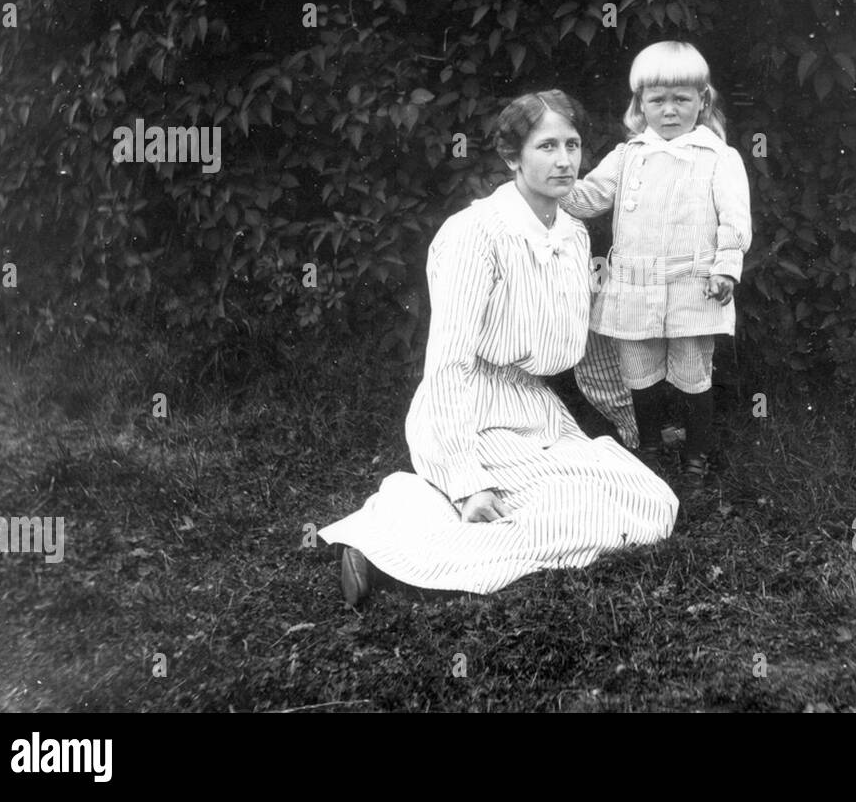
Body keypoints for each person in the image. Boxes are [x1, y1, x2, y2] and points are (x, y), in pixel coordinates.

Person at [319, 90, 678, 603]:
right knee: (575, 513)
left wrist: (627, 423)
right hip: (471, 413)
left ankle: (427, 520)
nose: (564, 160)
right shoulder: (476, 234)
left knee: (654, 501)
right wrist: (467, 479)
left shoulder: (572, 235)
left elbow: (588, 341)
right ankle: (389, 541)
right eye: (547, 146)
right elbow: (448, 364)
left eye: (573, 145)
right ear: (513, 157)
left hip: (537, 412)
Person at [560, 42, 752, 481]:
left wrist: (725, 268)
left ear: (702, 102)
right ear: (640, 104)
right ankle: (646, 447)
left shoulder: (719, 158)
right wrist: (553, 187)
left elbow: (735, 219)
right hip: (633, 287)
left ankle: (696, 457)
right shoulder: (629, 156)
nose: (670, 110)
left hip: (695, 287)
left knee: (692, 373)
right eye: (657, 100)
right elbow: (589, 197)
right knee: (640, 373)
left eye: (682, 99)